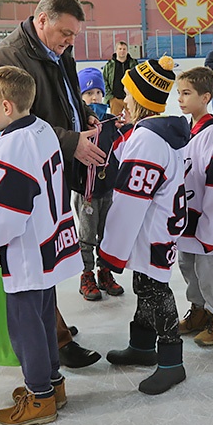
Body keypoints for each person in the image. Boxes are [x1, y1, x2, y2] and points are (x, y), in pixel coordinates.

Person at [0, 0, 103, 370]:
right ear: (41, 19)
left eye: (74, 35)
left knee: (45, 256)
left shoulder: (57, 48)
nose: (70, 40)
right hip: (30, 171)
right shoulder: (9, 57)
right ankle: (54, 346)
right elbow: (10, 125)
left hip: (52, 162)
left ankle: (53, 336)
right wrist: (70, 141)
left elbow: (66, 93)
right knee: (33, 267)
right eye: (65, 32)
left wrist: (83, 115)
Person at [0, 65, 83, 425]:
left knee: (26, 326)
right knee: (42, 316)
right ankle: (52, 385)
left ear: (6, 107)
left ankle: (40, 397)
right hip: (48, 240)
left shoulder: (9, 146)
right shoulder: (43, 130)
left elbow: (5, 213)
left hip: (25, 251)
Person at [100, 56, 190, 394]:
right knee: (145, 285)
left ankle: (171, 362)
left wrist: (111, 251)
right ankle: (141, 345)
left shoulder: (147, 141)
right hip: (160, 224)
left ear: (140, 98)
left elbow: (129, 201)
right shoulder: (157, 133)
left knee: (156, 290)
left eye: (126, 93)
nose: (122, 100)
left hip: (151, 228)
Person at [175, 66, 213, 346]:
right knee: (187, 265)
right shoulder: (189, 131)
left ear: (206, 97)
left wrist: (212, 226)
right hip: (188, 217)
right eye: (179, 93)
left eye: (187, 93)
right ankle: (198, 311)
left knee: (207, 270)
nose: (180, 99)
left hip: (206, 221)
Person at [72, 66, 125, 301]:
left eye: (98, 93)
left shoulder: (112, 122)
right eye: (88, 93)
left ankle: (105, 271)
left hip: (108, 189)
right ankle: (86, 273)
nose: (94, 98)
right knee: (87, 235)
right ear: (81, 98)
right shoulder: (79, 125)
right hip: (87, 192)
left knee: (107, 232)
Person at [102, 41, 137, 118]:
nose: (122, 51)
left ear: (127, 51)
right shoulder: (109, 65)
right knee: (115, 120)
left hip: (130, 98)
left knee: (132, 119)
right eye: (120, 49)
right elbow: (104, 80)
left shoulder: (134, 64)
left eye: (124, 49)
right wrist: (110, 96)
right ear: (116, 50)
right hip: (115, 99)